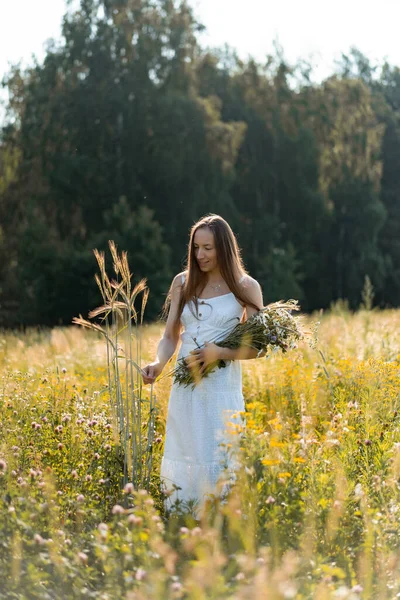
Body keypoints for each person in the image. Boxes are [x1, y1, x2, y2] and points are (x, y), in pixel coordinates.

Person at [142, 214, 263, 515]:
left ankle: (222, 526)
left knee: (219, 453)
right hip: (186, 387)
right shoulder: (182, 283)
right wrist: (158, 363)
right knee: (187, 450)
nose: (200, 255)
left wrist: (219, 353)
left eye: (207, 248)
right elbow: (171, 336)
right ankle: (182, 523)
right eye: (196, 247)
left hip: (222, 388)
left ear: (224, 247)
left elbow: (258, 348)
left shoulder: (246, 287)